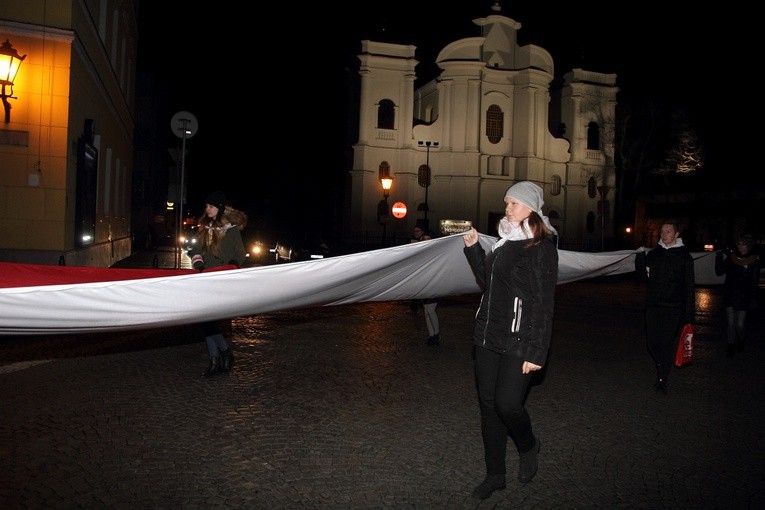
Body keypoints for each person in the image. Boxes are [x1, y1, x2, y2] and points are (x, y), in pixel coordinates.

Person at [462, 181, 558, 500]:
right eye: (506, 203)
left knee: (507, 403)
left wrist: (537, 350)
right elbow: (488, 282)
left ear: (531, 208)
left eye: (513, 204)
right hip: (488, 335)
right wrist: (475, 247)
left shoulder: (540, 246)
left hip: (520, 338)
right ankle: (495, 475)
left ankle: (528, 444)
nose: (507, 208)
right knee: (489, 407)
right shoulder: (503, 243)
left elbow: (544, 302)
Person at [187, 190, 248, 378]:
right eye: (206, 206)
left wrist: (232, 266)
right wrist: (198, 265)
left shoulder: (232, 230)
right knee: (207, 321)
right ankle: (218, 357)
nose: (207, 209)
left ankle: (221, 356)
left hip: (223, 280)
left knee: (212, 322)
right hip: (206, 278)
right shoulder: (205, 229)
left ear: (220, 208)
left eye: (211, 206)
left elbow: (239, 253)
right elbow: (196, 250)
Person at [635, 220, 695, 394]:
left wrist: (689, 315)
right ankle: (663, 365)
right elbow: (642, 279)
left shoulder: (684, 257)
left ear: (676, 235)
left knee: (666, 343)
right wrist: (640, 259)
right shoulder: (654, 255)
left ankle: (662, 378)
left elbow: (689, 287)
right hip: (653, 306)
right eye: (662, 231)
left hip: (673, 308)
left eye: (668, 231)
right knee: (652, 343)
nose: (664, 234)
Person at [715, 234, 761, 357]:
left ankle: (741, 339)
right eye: (739, 244)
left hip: (744, 296)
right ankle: (731, 346)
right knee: (731, 323)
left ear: (749, 246)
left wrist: (753, 298)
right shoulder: (732, 258)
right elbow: (719, 271)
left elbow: (754, 282)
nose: (740, 246)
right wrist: (719, 257)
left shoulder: (754, 261)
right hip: (730, 294)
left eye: (743, 244)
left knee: (740, 325)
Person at [412, 225, 440, 346]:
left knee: (431, 309)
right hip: (425, 284)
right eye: (425, 239)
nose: (426, 240)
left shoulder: (437, 251)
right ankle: (431, 335)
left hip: (436, 284)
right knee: (426, 311)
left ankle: (436, 335)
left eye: (429, 238)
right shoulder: (423, 251)